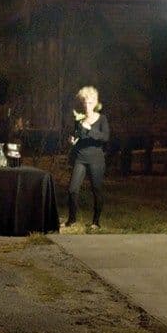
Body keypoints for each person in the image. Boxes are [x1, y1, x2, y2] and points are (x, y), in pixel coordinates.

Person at [65, 86, 110, 230]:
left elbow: (105, 137)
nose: (87, 105)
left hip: (96, 159)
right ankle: (71, 220)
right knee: (72, 189)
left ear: (95, 103)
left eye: (90, 102)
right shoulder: (79, 119)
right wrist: (72, 140)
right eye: (85, 102)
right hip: (80, 158)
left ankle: (96, 222)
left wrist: (89, 129)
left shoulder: (102, 119)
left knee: (96, 189)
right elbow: (77, 137)